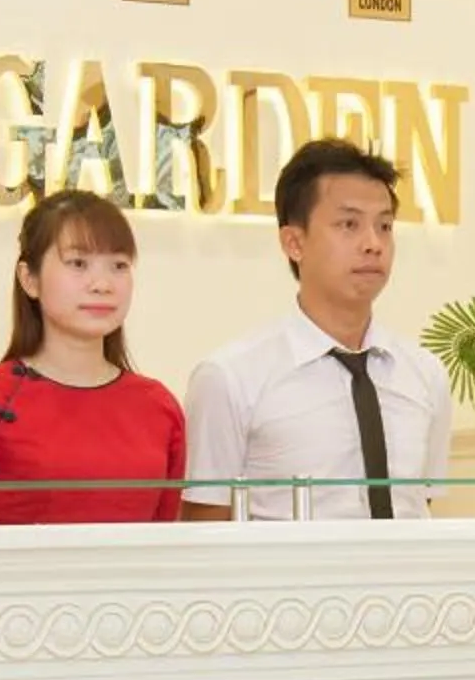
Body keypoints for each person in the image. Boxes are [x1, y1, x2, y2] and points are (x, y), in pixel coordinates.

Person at [181, 139, 451, 521]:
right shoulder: (230, 377)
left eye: (385, 226)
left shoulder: (425, 374)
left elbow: (420, 506)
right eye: (349, 224)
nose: (373, 244)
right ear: (294, 242)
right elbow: (206, 523)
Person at [0, 191, 184, 525]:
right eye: (78, 263)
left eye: (119, 266)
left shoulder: (159, 407)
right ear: (29, 279)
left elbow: (164, 545)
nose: (102, 284)